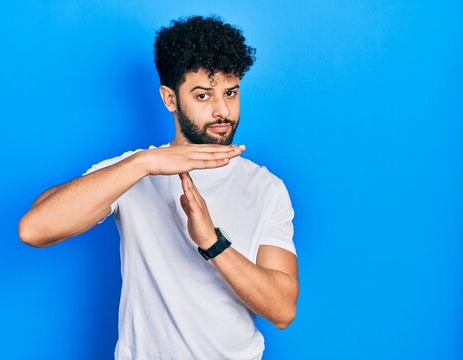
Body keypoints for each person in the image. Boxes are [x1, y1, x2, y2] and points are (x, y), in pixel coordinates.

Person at [19, 14, 299, 360]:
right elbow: (34, 228)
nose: (222, 110)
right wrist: (146, 164)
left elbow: (283, 309)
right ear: (170, 99)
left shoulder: (266, 187)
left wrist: (212, 242)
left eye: (231, 92)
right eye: (203, 96)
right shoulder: (132, 172)